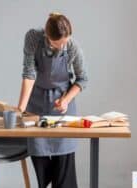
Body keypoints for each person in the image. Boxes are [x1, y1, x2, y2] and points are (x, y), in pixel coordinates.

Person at [17, 12, 88, 188]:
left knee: (64, 162)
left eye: (65, 41)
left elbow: (82, 79)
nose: (62, 46)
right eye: (58, 43)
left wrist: (65, 100)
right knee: (38, 152)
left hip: (62, 104)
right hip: (37, 103)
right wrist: (20, 109)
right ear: (48, 36)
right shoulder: (33, 37)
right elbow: (29, 73)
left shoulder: (72, 47)